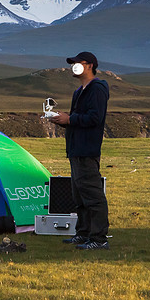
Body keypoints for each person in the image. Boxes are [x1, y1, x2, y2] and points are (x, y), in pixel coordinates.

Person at [49, 51, 110, 250]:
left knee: (92, 195)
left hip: (87, 150)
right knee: (79, 196)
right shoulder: (79, 91)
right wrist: (63, 120)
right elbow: (79, 119)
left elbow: (95, 118)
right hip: (75, 150)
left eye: (77, 63)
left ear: (89, 65)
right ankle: (83, 233)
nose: (73, 67)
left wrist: (70, 119)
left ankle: (99, 239)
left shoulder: (97, 89)